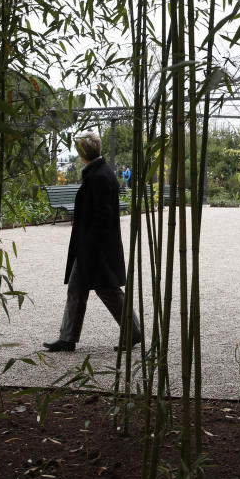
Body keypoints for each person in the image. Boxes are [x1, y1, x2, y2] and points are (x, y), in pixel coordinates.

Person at [44, 132, 142, 353]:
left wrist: (89, 244)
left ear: (82, 153)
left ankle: (133, 331)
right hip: (92, 245)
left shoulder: (99, 176)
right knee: (77, 289)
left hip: (95, 247)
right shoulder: (99, 173)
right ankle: (67, 338)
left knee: (107, 290)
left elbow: (101, 216)